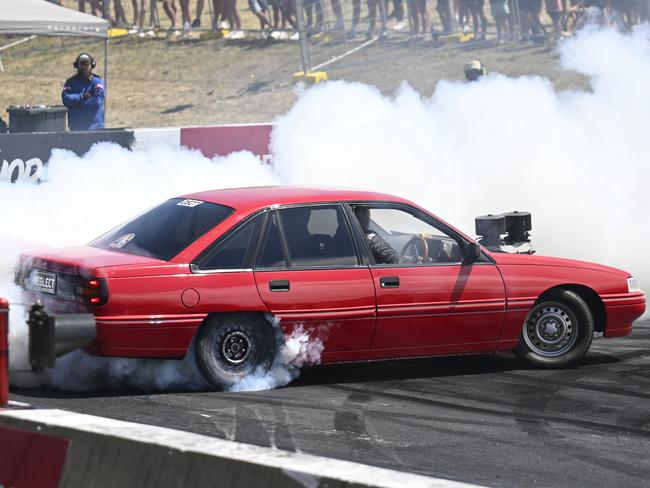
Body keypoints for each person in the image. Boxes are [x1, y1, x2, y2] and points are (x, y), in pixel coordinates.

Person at [62, 53, 105, 131]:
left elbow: (97, 101)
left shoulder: (97, 81)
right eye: (81, 64)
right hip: (76, 128)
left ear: (91, 65)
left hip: (95, 128)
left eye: (86, 64)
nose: (84, 67)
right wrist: (82, 96)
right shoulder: (70, 82)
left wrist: (78, 104)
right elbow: (66, 99)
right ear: (77, 66)